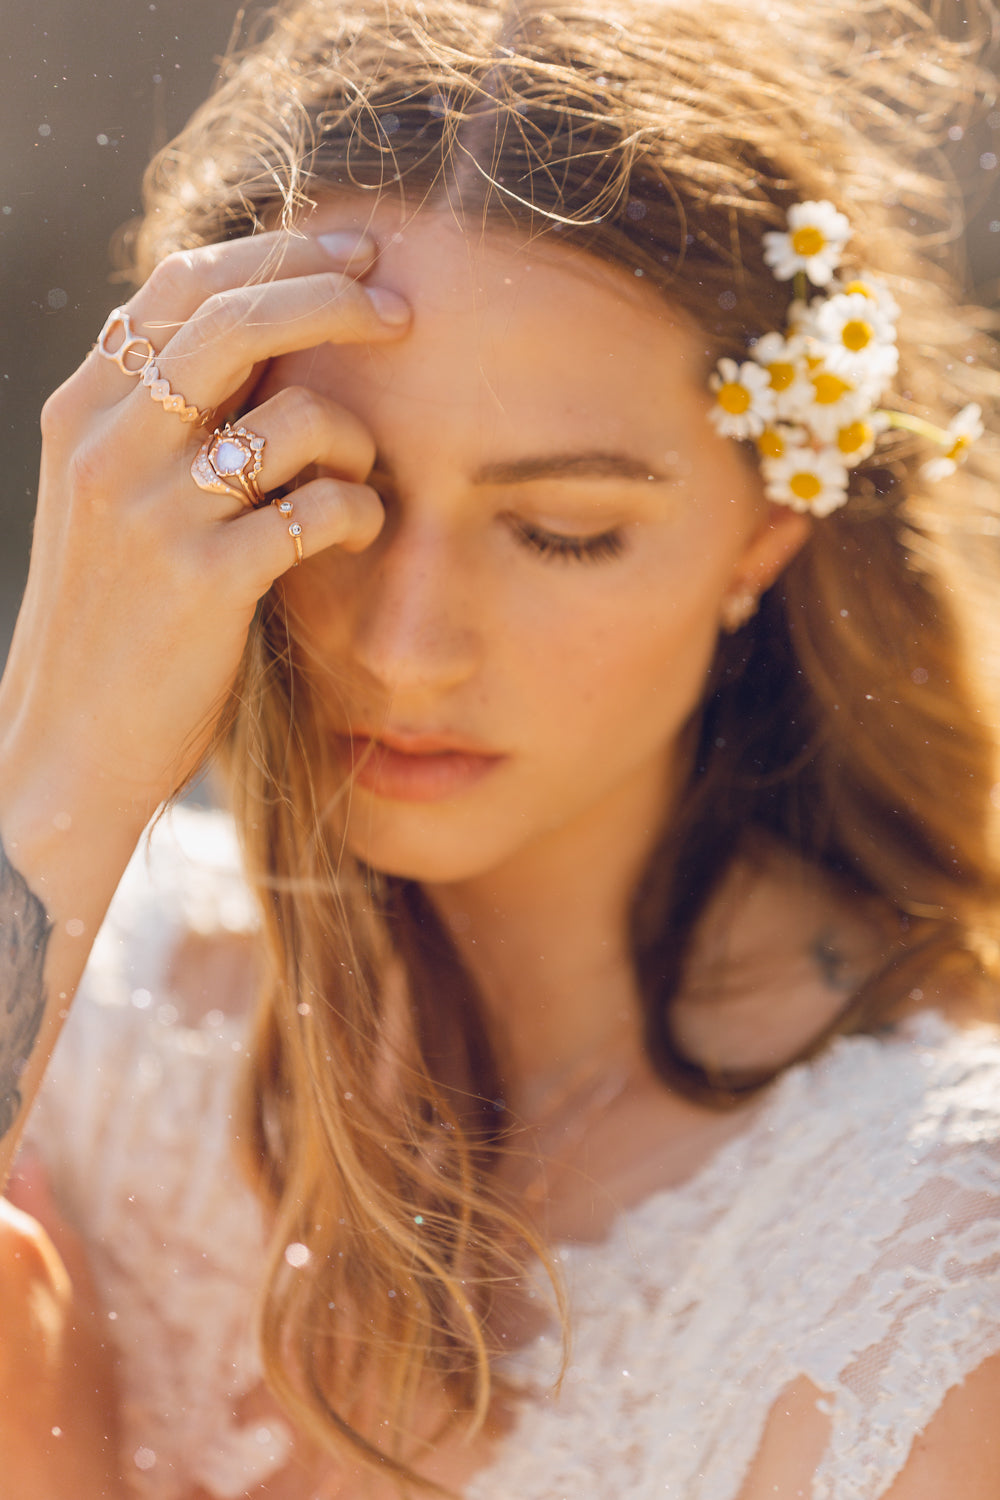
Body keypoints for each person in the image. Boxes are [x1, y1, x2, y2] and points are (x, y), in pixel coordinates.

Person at [2, 0, 1000, 1494]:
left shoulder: (914, 1266)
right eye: (327, 496)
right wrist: (58, 769)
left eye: (562, 532)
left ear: (769, 530)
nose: (406, 645)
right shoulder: (96, 1011)